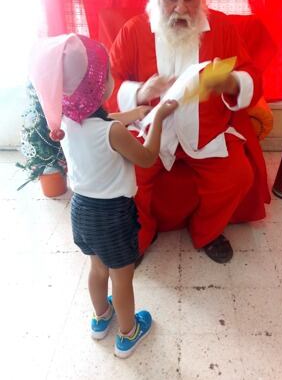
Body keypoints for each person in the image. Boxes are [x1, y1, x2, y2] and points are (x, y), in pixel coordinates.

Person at [108, 0, 270, 264]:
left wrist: (232, 83)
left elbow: (252, 74)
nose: (181, 8)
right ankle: (142, 232)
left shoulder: (220, 27)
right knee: (127, 175)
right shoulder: (134, 31)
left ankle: (207, 232)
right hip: (149, 132)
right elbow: (109, 83)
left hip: (206, 130)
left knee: (237, 175)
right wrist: (140, 92)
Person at [28, 33, 177, 358]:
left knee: (97, 270)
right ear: (97, 86)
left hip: (81, 211)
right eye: (107, 75)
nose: (111, 79)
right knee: (122, 277)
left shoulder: (66, 121)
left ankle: (101, 318)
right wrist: (159, 120)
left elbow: (105, 121)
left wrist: (135, 113)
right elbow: (147, 156)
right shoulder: (112, 133)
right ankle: (128, 332)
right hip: (113, 215)